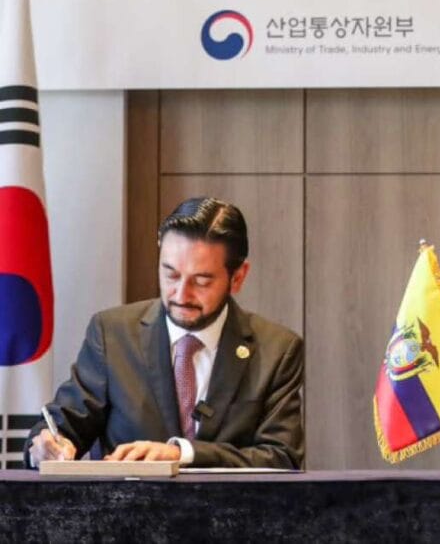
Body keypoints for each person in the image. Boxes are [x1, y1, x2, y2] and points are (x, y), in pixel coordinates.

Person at [27, 197, 303, 469]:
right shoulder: (112, 335)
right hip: (127, 500)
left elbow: (282, 457)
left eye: (201, 281)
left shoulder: (276, 350)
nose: (181, 295)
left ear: (238, 277)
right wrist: (45, 446)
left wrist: (182, 454)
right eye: (170, 274)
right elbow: (63, 425)